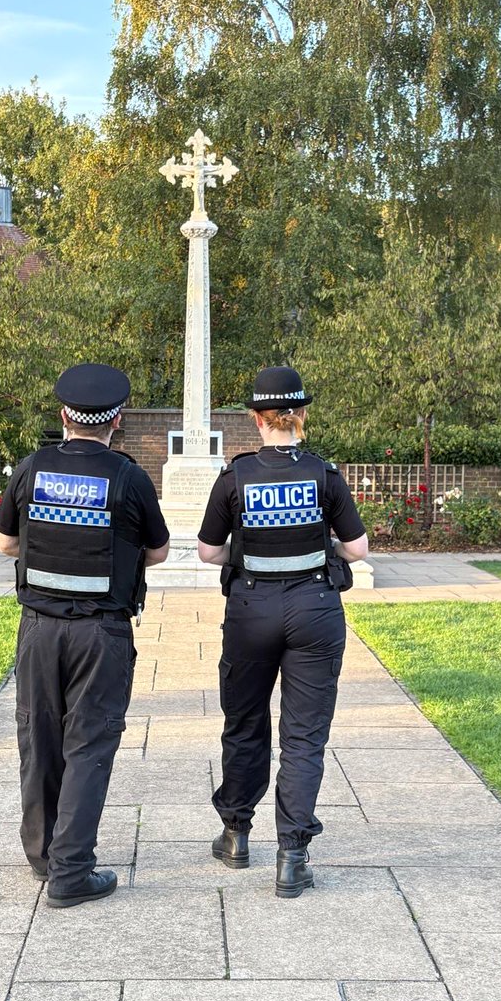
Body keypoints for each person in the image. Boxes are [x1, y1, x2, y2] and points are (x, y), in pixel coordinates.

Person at [0, 363, 169, 908]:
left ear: (64, 416)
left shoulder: (32, 468)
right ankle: (71, 872)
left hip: (38, 630)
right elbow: (159, 551)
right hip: (101, 633)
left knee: (39, 738)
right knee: (89, 743)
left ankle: (44, 856)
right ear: (116, 420)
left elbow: (6, 543)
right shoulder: (129, 478)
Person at [197, 366, 368, 898]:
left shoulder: (235, 476)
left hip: (250, 610)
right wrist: (316, 549)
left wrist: (249, 551)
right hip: (315, 609)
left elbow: (208, 552)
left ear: (257, 418)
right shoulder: (324, 475)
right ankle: (292, 856)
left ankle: (236, 834)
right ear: (301, 416)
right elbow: (357, 549)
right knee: (304, 736)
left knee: (245, 723)